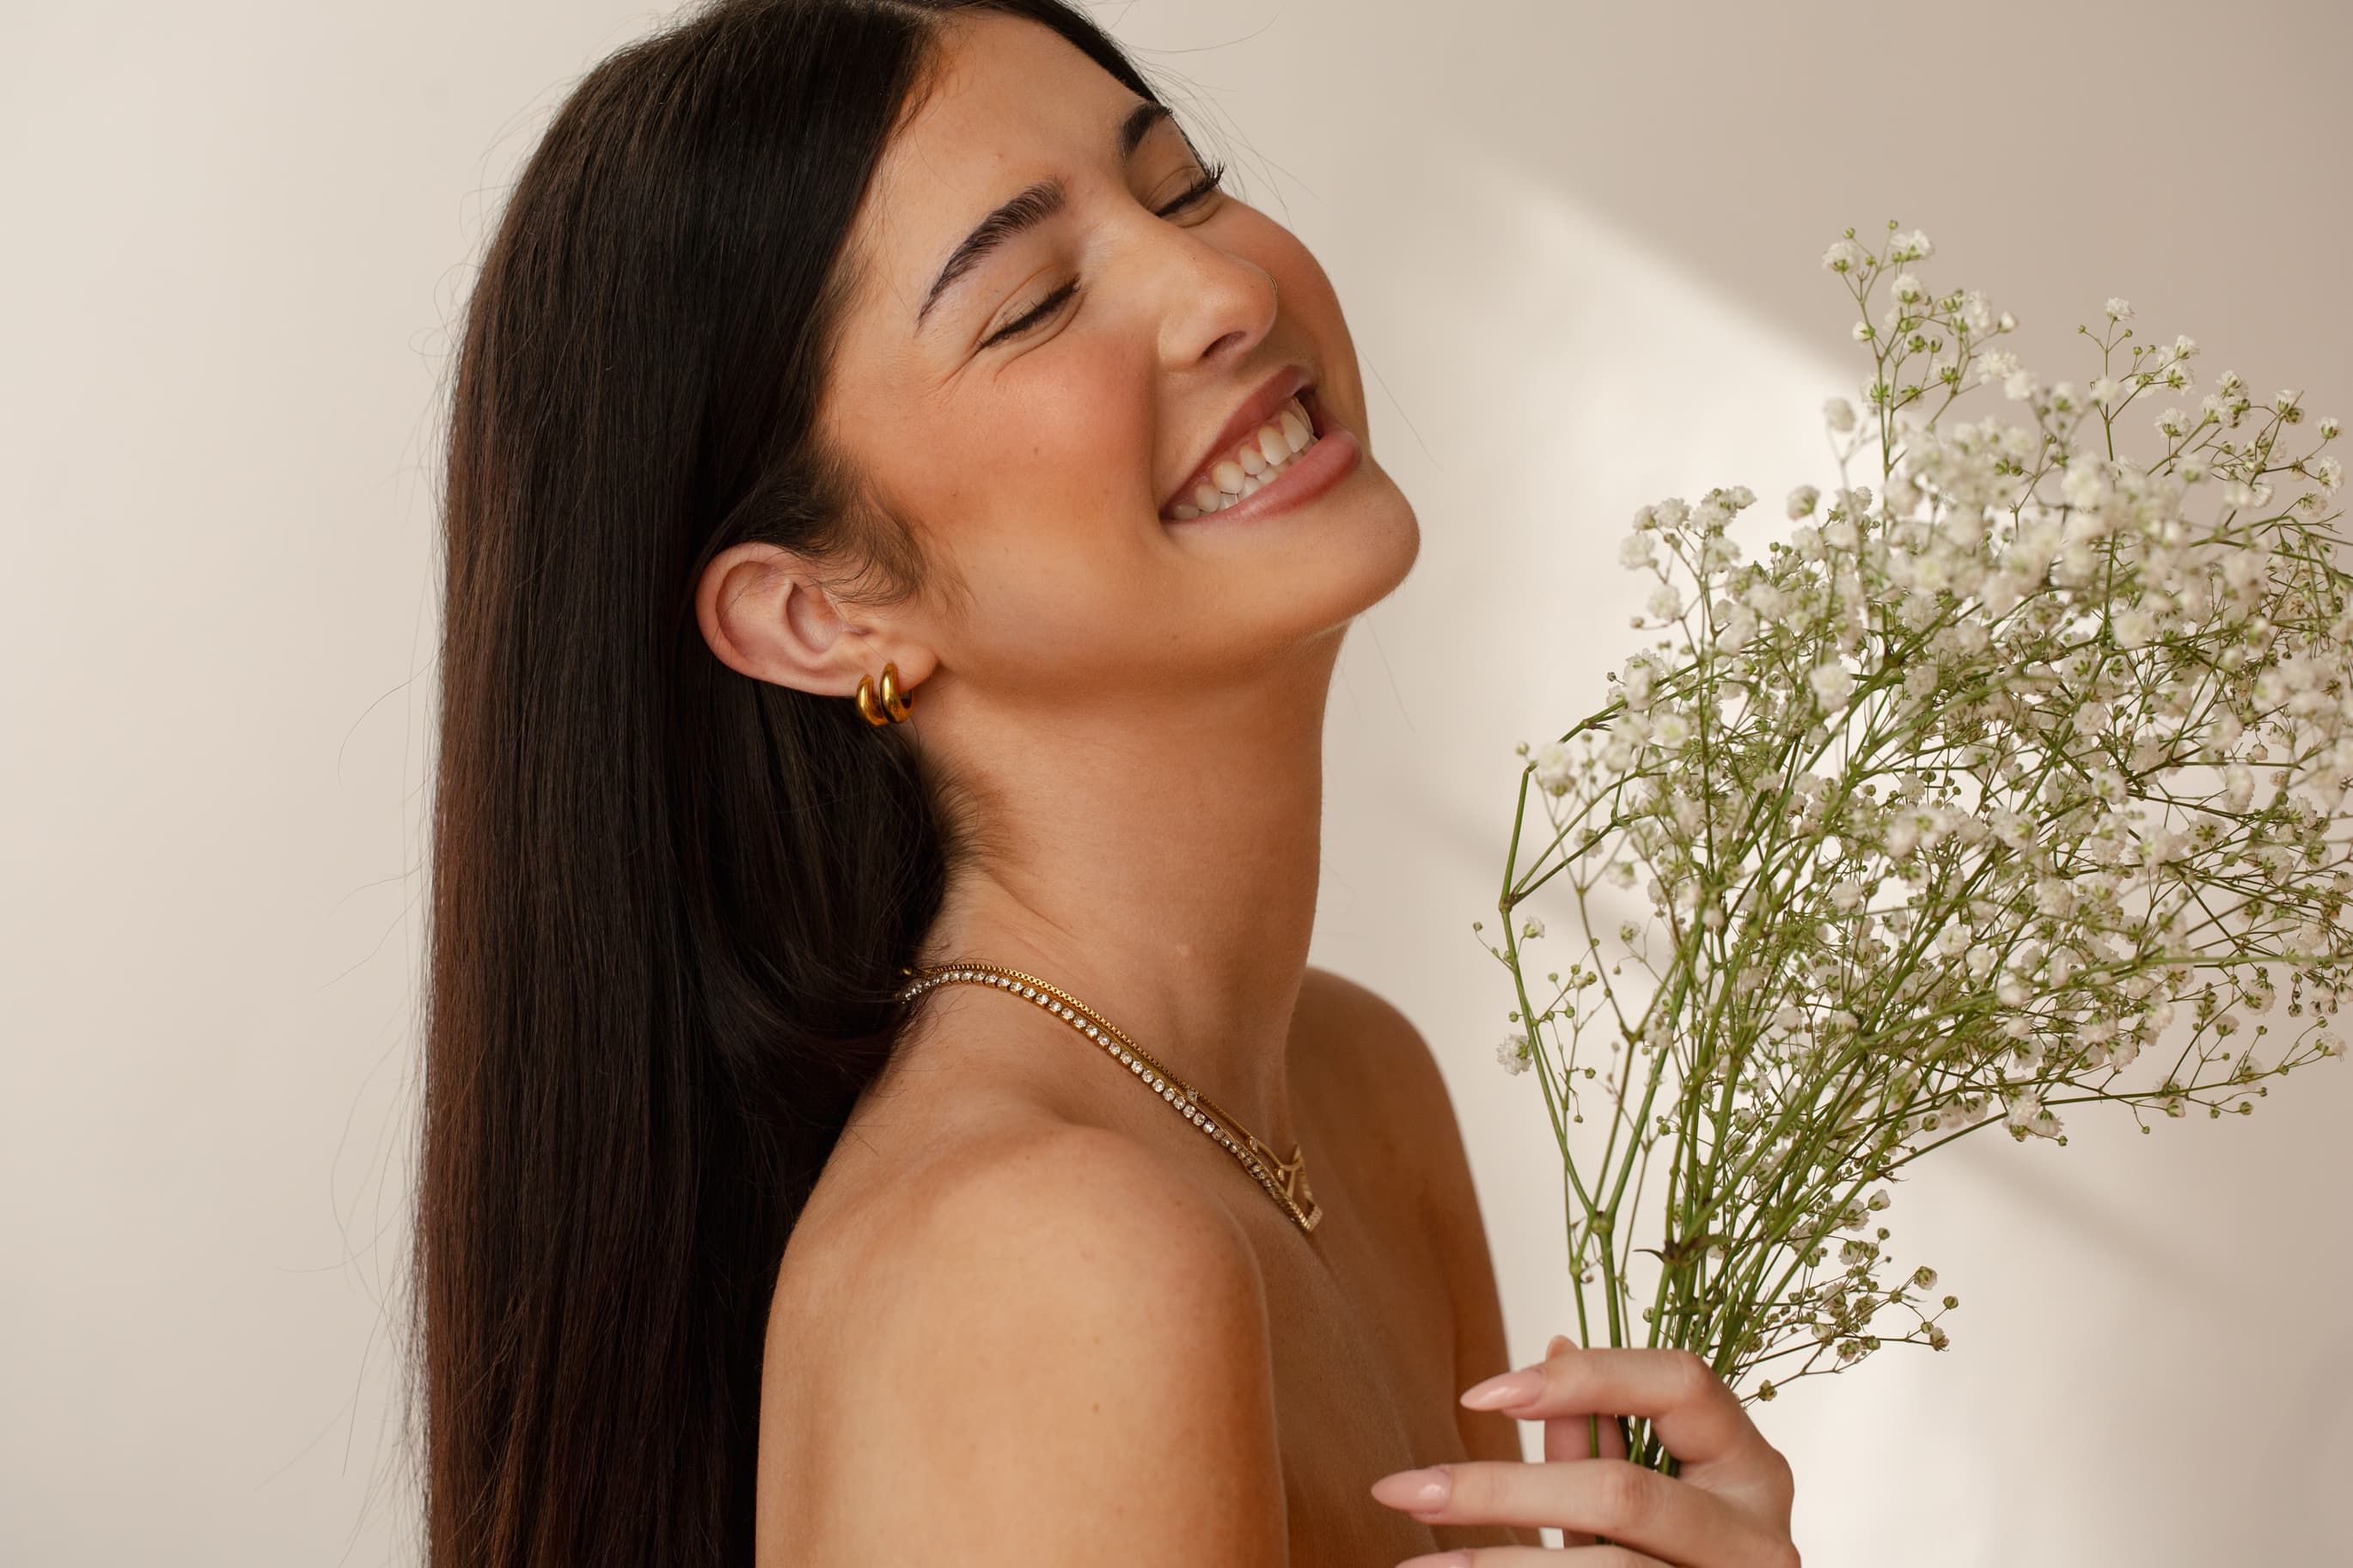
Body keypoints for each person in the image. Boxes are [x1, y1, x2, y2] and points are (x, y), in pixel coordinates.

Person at [416, 2, 1801, 1565]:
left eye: (1184, 185)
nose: (1221, 287)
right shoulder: (1044, 1255)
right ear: (823, 612)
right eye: (1029, 302)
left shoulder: (1359, 1088)